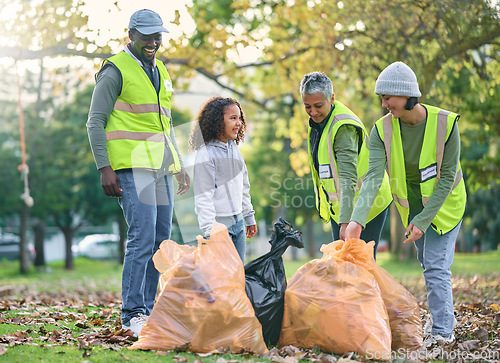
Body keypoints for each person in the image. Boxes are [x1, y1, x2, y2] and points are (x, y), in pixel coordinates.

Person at [345, 61, 467, 348]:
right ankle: (445, 316)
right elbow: (373, 178)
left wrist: (424, 221)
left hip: (445, 203)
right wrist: (356, 221)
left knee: (436, 266)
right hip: (411, 204)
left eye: (388, 97)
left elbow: (447, 177)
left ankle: (442, 331)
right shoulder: (381, 130)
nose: (385, 104)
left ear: (407, 95)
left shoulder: (445, 124)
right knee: (427, 262)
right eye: (382, 99)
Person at [86, 9, 190, 338]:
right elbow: (95, 122)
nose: (153, 42)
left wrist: (179, 164)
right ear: (130, 34)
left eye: (157, 36)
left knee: (160, 242)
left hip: (161, 167)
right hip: (131, 168)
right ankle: (132, 314)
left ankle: (148, 310)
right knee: (142, 238)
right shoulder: (115, 70)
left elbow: (165, 122)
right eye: (146, 36)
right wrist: (105, 167)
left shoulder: (160, 70)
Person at [300, 72, 392, 258]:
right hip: (343, 207)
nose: (313, 112)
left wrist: (346, 222)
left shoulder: (342, 127)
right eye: (307, 106)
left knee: (360, 266)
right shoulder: (320, 124)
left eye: (318, 106)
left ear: (332, 98)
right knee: (344, 267)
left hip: (366, 204)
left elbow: (348, 178)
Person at [189, 97, 257, 263]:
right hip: (219, 228)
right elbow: (203, 198)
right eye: (233, 118)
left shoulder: (235, 150)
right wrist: (210, 231)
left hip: (239, 224)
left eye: (239, 118)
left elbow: (244, 186)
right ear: (218, 121)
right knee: (219, 281)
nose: (239, 123)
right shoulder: (206, 155)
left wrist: (248, 216)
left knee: (237, 278)